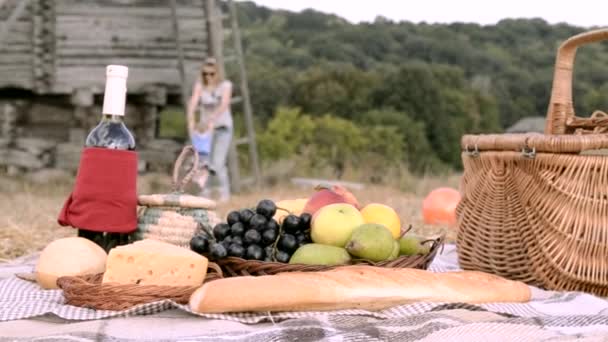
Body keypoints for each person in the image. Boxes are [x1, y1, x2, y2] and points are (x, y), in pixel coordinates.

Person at [186, 58, 233, 202]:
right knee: (204, 162)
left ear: (217, 73)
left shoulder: (225, 85)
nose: (208, 77)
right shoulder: (200, 86)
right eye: (205, 73)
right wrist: (190, 119)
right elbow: (193, 102)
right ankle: (205, 192)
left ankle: (224, 193)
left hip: (222, 128)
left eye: (212, 74)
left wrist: (211, 119)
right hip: (206, 131)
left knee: (218, 163)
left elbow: (224, 104)